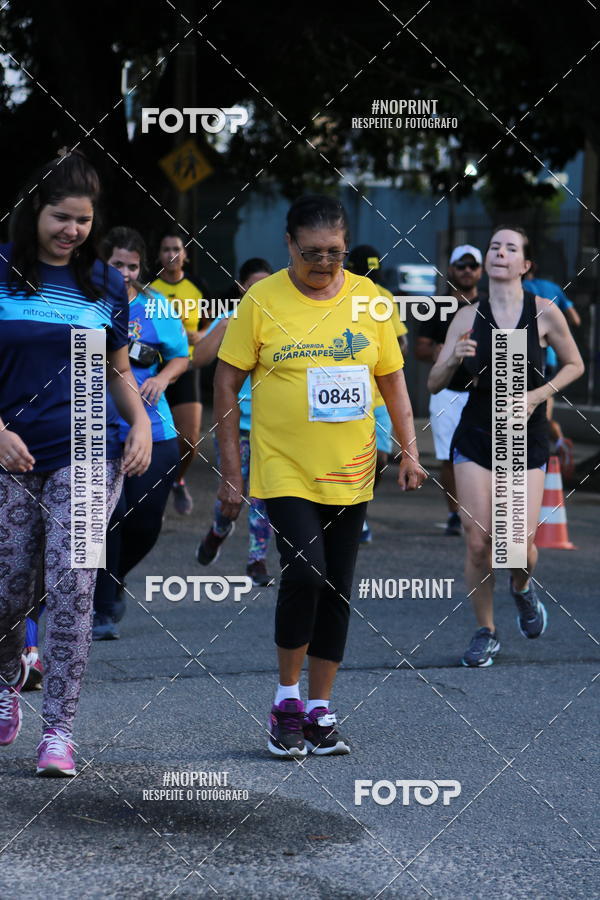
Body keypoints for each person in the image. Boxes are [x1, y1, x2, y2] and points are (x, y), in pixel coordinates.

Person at [214, 195, 426, 758]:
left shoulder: (373, 301)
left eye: (335, 253)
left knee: (336, 585)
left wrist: (409, 451)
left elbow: (394, 383)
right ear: (288, 245)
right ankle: (286, 699)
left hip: (352, 469)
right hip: (282, 465)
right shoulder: (261, 300)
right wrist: (232, 471)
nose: (325, 264)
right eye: (312, 253)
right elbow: (225, 382)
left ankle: (319, 709)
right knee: (305, 571)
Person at [0, 152, 152, 776]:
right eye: (61, 217)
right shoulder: (3, 272)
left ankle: (59, 730)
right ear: (35, 211)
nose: (72, 231)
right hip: (11, 453)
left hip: (91, 448)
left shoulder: (104, 285)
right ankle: (7, 678)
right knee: (8, 586)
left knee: (73, 585)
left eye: (84, 221)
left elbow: (118, 372)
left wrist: (139, 420)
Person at [428, 226, 584, 667]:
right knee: (479, 543)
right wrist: (454, 357)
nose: (499, 253)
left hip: (524, 437)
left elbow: (576, 364)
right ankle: (486, 631)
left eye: (510, 248)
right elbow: (434, 382)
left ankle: (521, 587)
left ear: (524, 265)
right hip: (477, 434)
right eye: (494, 246)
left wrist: (538, 396)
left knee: (516, 547)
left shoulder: (544, 311)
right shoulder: (466, 315)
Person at [93, 227, 189, 639]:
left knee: (145, 523)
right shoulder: (85, 300)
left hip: (154, 427)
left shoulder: (156, 306)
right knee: (107, 518)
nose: (127, 273)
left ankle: (109, 582)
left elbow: (181, 356)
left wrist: (164, 378)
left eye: (133, 266)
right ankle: (103, 605)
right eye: (118, 265)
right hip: (95, 428)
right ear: (103, 264)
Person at [194, 258, 274, 587]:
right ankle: (218, 531)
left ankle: (257, 560)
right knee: (232, 498)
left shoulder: (281, 323)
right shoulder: (229, 320)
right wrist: (226, 326)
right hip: (236, 426)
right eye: (253, 286)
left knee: (262, 497)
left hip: (271, 429)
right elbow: (197, 359)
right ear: (241, 288)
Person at [416, 245, 484, 536]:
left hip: (482, 394)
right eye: (461, 265)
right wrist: (436, 352)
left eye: (472, 265)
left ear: (480, 271)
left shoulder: (489, 308)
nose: (467, 270)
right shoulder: (439, 306)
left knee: (484, 455)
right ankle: (455, 513)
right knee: (448, 455)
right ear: (451, 269)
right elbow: (420, 348)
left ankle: (481, 511)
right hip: (446, 392)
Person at [346, 244, 409, 543]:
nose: (369, 279)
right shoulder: (337, 292)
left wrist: (387, 356)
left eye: (374, 274)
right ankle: (348, 512)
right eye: (363, 272)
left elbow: (402, 341)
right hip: (346, 394)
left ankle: (361, 506)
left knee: (381, 458)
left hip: (379, 396)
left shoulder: (382, 296)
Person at [152, 232, 207, 515]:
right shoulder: (148, 287)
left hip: (186, 366)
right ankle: (153, 488)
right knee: (153, 437)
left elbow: (215, 320)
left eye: (176, 249)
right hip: (154, 368)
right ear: (158, 254)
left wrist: (201, 334)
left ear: (185, 254)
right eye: (165, 248)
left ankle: (178, 478)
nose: (171, 253)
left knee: (188, 439)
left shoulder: (198, 285)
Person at [523, 263, 581, 452]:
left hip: (528, 355)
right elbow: (576, 319)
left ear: (524, 268)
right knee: (543, 401)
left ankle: (555, 441)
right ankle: (557, 441)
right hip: (551, 358)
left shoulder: (522, 288)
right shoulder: (554, 289)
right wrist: (558, 326)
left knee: (531, 407)